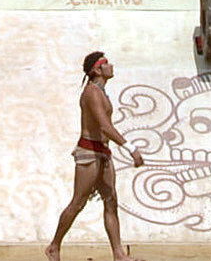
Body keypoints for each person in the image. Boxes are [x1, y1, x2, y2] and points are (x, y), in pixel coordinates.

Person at [47, 50, 143, 261]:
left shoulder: (101, 92)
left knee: (111, 201)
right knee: (78, 202)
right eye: (106, 63)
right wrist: (130, 148)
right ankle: (54, 246)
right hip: (89, 153)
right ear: (96, 70)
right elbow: (104, 126)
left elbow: (106, 128)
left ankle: (118, 254)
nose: (111, 66)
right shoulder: (91, 93)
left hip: (103, 153)